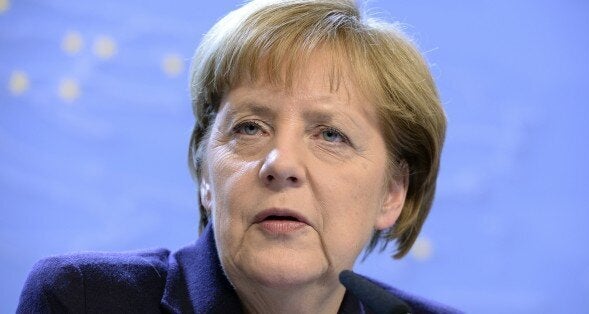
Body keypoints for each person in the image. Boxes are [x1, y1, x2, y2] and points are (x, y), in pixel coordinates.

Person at [18, 0, 458, 313]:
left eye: (331, 135)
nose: (280, 164)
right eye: (250, 128)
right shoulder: (82, 300)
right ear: (206, 175)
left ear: (392, 194)